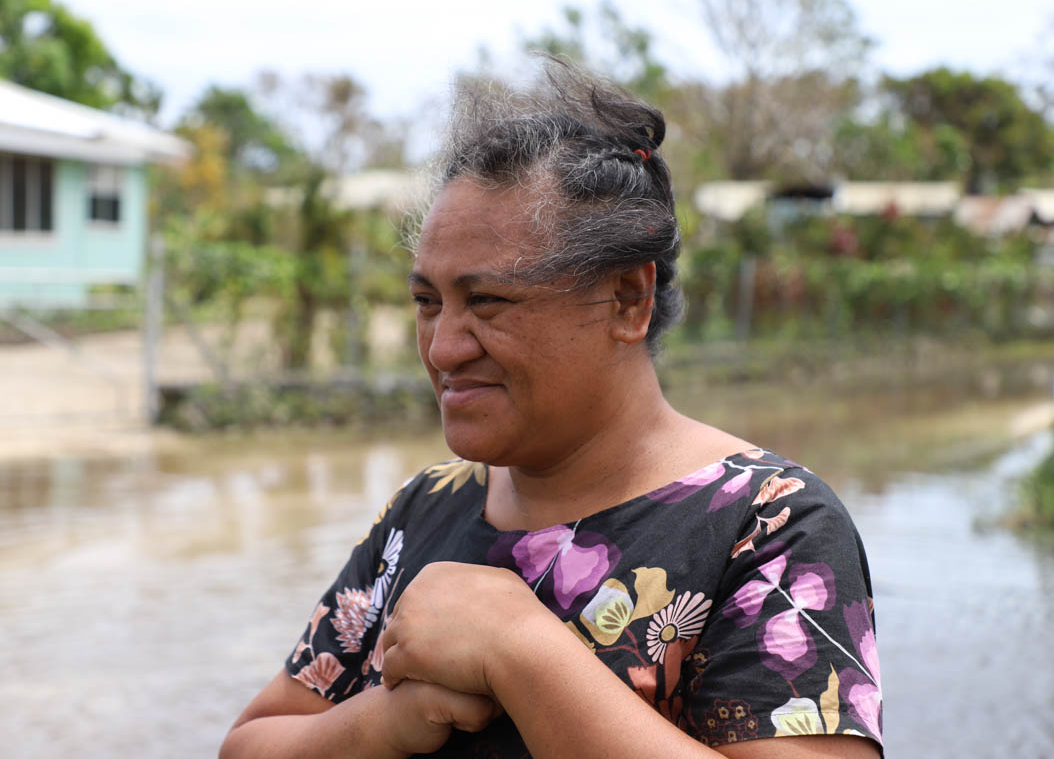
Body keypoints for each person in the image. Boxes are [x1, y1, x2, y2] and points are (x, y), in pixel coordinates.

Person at [221, 60, 882, 759]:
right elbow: (251, 744)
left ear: (628, 299)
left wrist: (520, 647)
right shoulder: (426, 508)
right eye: (426, 302)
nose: (443, 348)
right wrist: (377, 724)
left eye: (488, 302)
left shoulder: (770, 524)